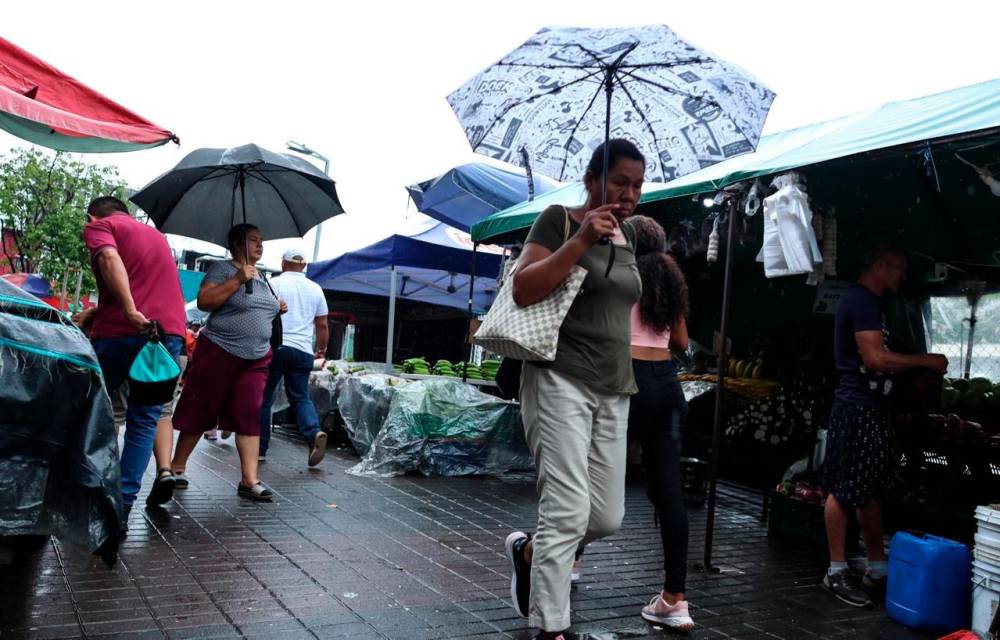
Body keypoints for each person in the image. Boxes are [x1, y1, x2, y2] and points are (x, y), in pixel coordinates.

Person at [504, 139, 644, 640]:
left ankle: (528, 551)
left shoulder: (629, 237)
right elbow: (524, 287)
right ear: (592, 181)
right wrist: (581, 239)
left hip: (614, 385)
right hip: (558, 374)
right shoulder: (559, 219)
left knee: (606, 515)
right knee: (566, 509)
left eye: (637, 185)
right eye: (620, 181)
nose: (629, 194)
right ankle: (552, 626)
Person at [821, 245, 948, 607]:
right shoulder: (860, 302)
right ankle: (835, 571)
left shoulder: (873, 304)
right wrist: (927, 360)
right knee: (844, 489)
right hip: (857, 407)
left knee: (871, 489)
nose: (903, 276)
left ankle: (877, 567)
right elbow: (875, 358)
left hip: (874, 408)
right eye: (900, 269)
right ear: (880, 264)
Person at [82, 196, 186, 533]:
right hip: (167, 332)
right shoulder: (157, 237)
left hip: (121, 331)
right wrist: (98, 311)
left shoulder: (101, 226)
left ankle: (81, 489)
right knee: (144, 420)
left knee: (87, 406)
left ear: (92, 215)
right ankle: (121, 509)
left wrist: (127, 309)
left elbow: (110, 259)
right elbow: (148, 283)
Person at [167, 224, 285, 502]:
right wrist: (236, 279)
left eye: (261, 240)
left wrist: (276, 307)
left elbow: (260, 308)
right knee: (202, 407)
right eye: (253, 240)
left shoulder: (263, 277)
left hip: (256, 356)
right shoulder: (222, 269)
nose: (260, 245)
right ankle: (177, 467)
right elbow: (206, 302)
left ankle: (249, 480)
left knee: (249, 411)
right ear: (236, 244)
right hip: (220, 350)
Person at [623, 215, 694, 630]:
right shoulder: (669, 278)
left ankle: (571, 562)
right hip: (667, 387)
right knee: (670, 494)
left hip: (627, 382)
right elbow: (682, 343)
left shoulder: (623, 273)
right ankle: (675, 599)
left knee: (598, 480)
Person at [259, 246, 330, 466]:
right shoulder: (316, 289)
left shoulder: (274, 283)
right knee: (300, 397)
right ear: (304, 266)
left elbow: (261, 313)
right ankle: (313, 433)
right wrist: (321, 349)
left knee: (264, 399)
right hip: (302, 351)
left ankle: (260, 448)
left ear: (283, 264)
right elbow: (322, 324)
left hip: (276, 348)